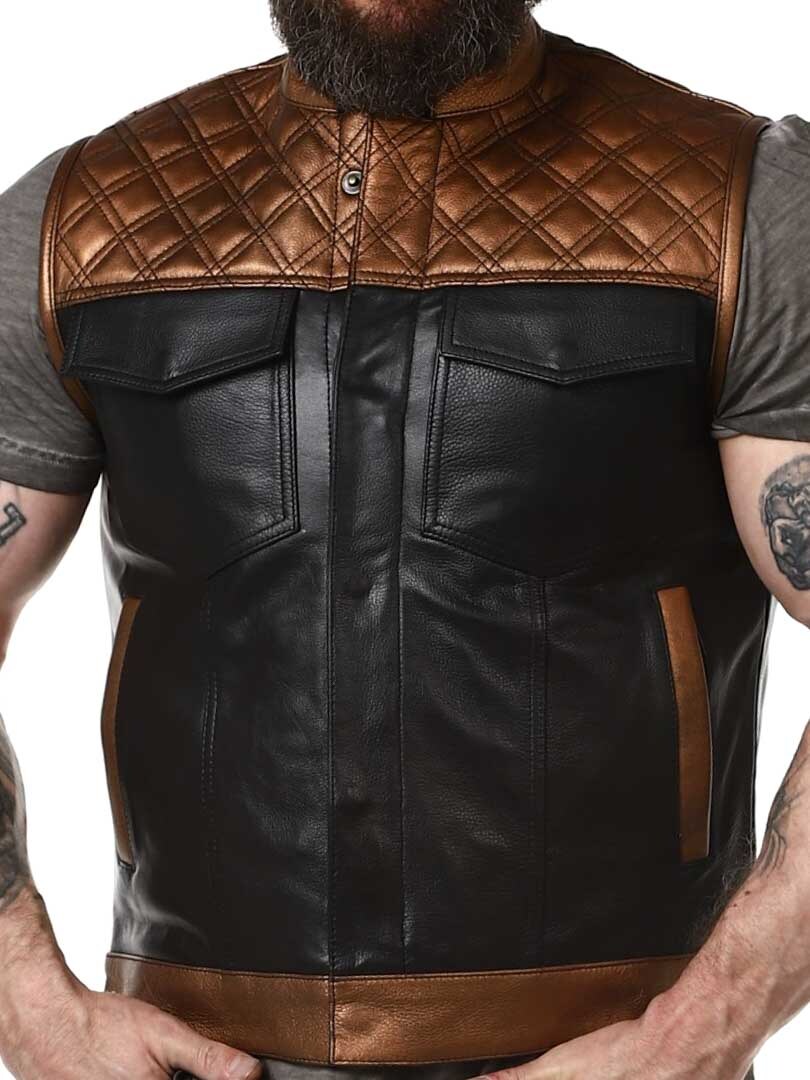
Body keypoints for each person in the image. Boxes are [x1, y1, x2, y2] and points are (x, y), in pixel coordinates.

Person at [0, 0, 809, 1076]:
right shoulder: (84, 220)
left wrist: (700, 1032)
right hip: (194, 1054)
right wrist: (27, 1005)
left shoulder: (736, 204)